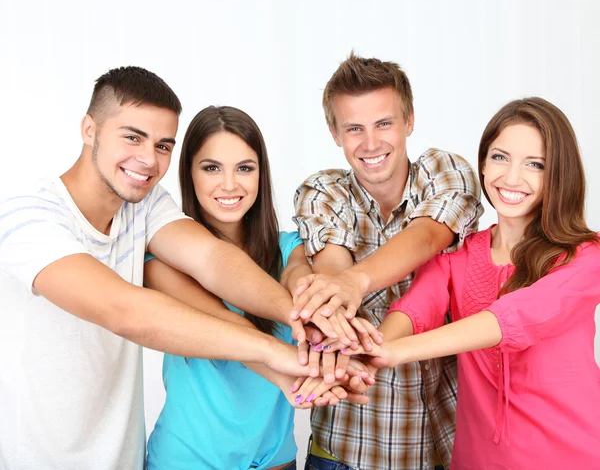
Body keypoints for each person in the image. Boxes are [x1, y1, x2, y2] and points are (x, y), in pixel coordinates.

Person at [0, 67, 354, 470]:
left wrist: (296, 319)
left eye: (163, 145)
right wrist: (281, 354)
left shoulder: (144, 205)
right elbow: (123, 310)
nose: (148, 159)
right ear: (89, 129)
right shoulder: (25, 216)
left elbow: (212, 259)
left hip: (124, 460)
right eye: (132, 137)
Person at [347, 97, 600, 469]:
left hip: (570, 456)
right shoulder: (460, 256)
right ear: (482, 163)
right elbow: (414, 310)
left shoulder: (587, 257)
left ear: (557, 175)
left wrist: (395, 354)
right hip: (475, 460)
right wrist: (370, 352)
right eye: (500, 157)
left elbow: (510, 319)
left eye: (535, 164)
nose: (511, 178)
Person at [143, 106, 373, 470]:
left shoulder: (289, 246)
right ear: (189, 173)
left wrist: (322, 316)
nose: (230, 185)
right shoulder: (161, 261)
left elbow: (298, 276)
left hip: (275, 459)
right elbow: (228, 326)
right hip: (186, 459)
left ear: (261, 175)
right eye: (211, 168)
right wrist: (307, 361)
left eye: (245, 168)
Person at [291, 53, 483, 469]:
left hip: (441, 446)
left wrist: (355, 282)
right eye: (354, 128)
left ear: (409, 121)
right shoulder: (322, 191)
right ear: (334, 133)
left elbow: (428, 235)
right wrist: (339, 292)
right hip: (346, 450)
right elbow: (332, 269)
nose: (371, 143)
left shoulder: (444, 170)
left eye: (384, 123)